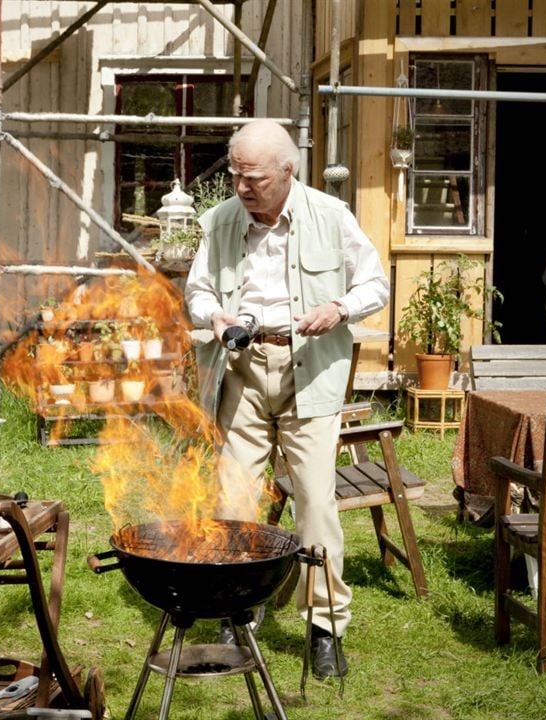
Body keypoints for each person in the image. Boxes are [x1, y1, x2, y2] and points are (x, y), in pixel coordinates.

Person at [184, 119, 389, 680]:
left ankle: (325, 629)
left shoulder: (330, 215)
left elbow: (375, 284)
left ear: (287, 172)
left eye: (252, 178)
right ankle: (234, 610)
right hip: (244, 371)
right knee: (233, 501)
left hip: (312, 371)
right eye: (234, 174)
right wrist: (214, 315)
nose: (241, 187)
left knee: (316, 506)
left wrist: (341, 309)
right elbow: (199, 289)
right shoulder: (221, 222)